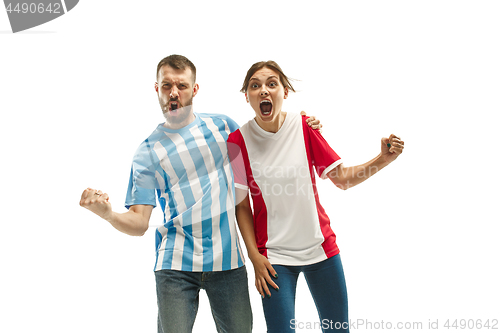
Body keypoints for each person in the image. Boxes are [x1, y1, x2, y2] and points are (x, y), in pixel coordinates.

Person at [79, 55, 321, 333]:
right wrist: (108, 214)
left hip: (228, 263)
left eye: (181, 85)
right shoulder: (146, 152)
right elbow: (139, 223)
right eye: (166, 85)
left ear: (194, 90)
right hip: (175, 265)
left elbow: (263, 146)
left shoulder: (224, 127)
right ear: (156, 89)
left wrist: (301, 125)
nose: (174, 92)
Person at [227, 61, 404, 332]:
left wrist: (383, 158)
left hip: (320, 250)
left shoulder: (304, 127)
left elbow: (342, 179)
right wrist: (254, 257)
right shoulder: (237, 142)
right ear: (247, 96)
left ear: (284, 92)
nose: (264, 90)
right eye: (255, 86)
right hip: (274, 259)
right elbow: (242, 206)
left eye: (271, 84)